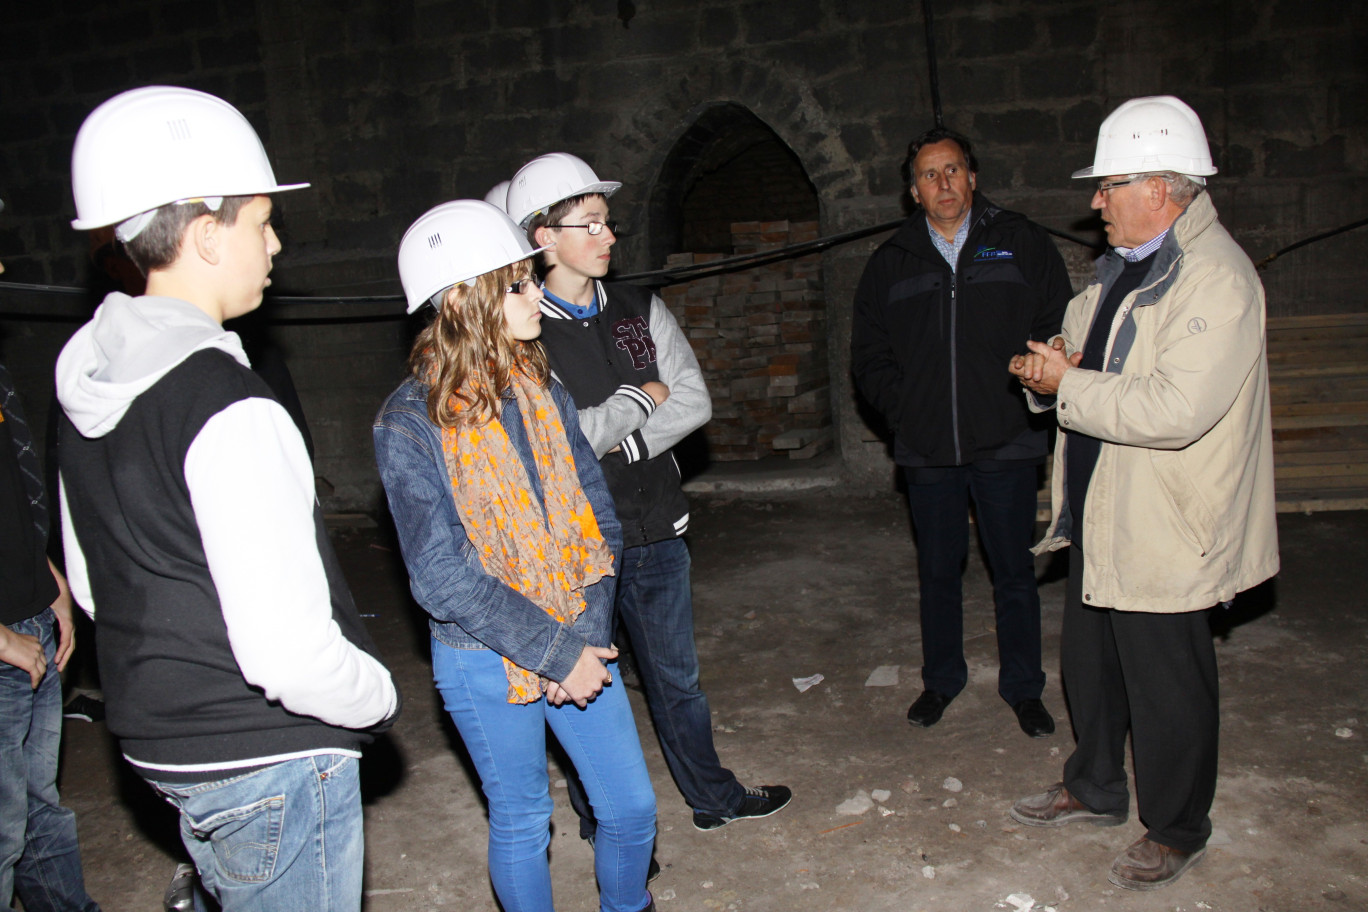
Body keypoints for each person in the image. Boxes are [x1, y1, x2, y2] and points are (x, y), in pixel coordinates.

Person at [56, 86, 400, 912]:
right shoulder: (227, 401)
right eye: (261, 221)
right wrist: (375, 694)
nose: (275, 242)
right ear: (208, 235)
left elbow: (99, 584)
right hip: (264, 754)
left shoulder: (88, 377)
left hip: (157, 734)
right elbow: (286, 655)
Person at [1007, 96, 1279, 890]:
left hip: (1166, 517)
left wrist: (1072, 381)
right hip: (1105, 506)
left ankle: (1177, 824)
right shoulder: (1123, 270)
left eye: (1108, 185)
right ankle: (1094, 783)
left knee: (1168, 684)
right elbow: (1088, 363)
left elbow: (1174, 409)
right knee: (1091, 667)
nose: (1094, 201)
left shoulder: (1214, 277)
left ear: (1159, 189)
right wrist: (1049, 370)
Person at [375, 199, 657, 912]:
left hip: (578, 626)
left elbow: (599, 518)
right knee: (526, 818)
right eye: (518, 284)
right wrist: (555, 654)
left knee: (629, 810)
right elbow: (441, 577)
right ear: (464, 301)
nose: (537, 293)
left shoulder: (542, 388)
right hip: (481, 655)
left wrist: (584, 640)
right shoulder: (409, 423)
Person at [507, 151, 793, 833]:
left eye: (608, 224)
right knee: (585, 692)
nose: (609, 238)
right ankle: (605, 820)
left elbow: (692, 399)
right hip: (577, 546)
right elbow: (555, 442)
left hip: (658, 526)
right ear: (545, 238)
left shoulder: (638, 306)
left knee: (678, 682)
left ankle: (713, 798)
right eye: (591, 225)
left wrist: (625, 443)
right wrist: (639, 398)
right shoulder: (520, 327)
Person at [851, 127, 1071, 737]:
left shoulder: (1021, 243)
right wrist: (908, 412)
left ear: (973, 178)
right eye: (929, 175)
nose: (942, 183)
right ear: (912, 192)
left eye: (952, 170)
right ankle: (942, 680)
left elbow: (1057, 324)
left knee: (1014, 571)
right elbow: (868, 357)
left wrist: (1036, 380)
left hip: (1006, 439)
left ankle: (1024, 688)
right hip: (928, 450)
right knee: (938, 572)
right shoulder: (891, 262)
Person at [2, 329, 101, 911]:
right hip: (4, 642)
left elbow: (14, 497)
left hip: (31, 614)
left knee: (39, 808)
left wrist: (51, 580)